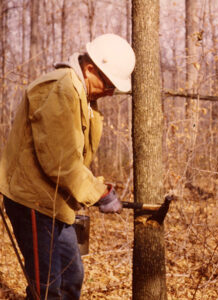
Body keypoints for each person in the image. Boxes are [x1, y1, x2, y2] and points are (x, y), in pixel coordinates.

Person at [0, 33, 135, 299]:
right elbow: (60, 160)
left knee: (72, 278)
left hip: (54, 202)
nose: (110, 93)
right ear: (90, 69)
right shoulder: (59, 89)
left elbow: (70, 156)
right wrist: (98, 193)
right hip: (32, 203)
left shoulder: (81, 96)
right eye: (109, 85)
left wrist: (97, 186)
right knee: (47, 287)